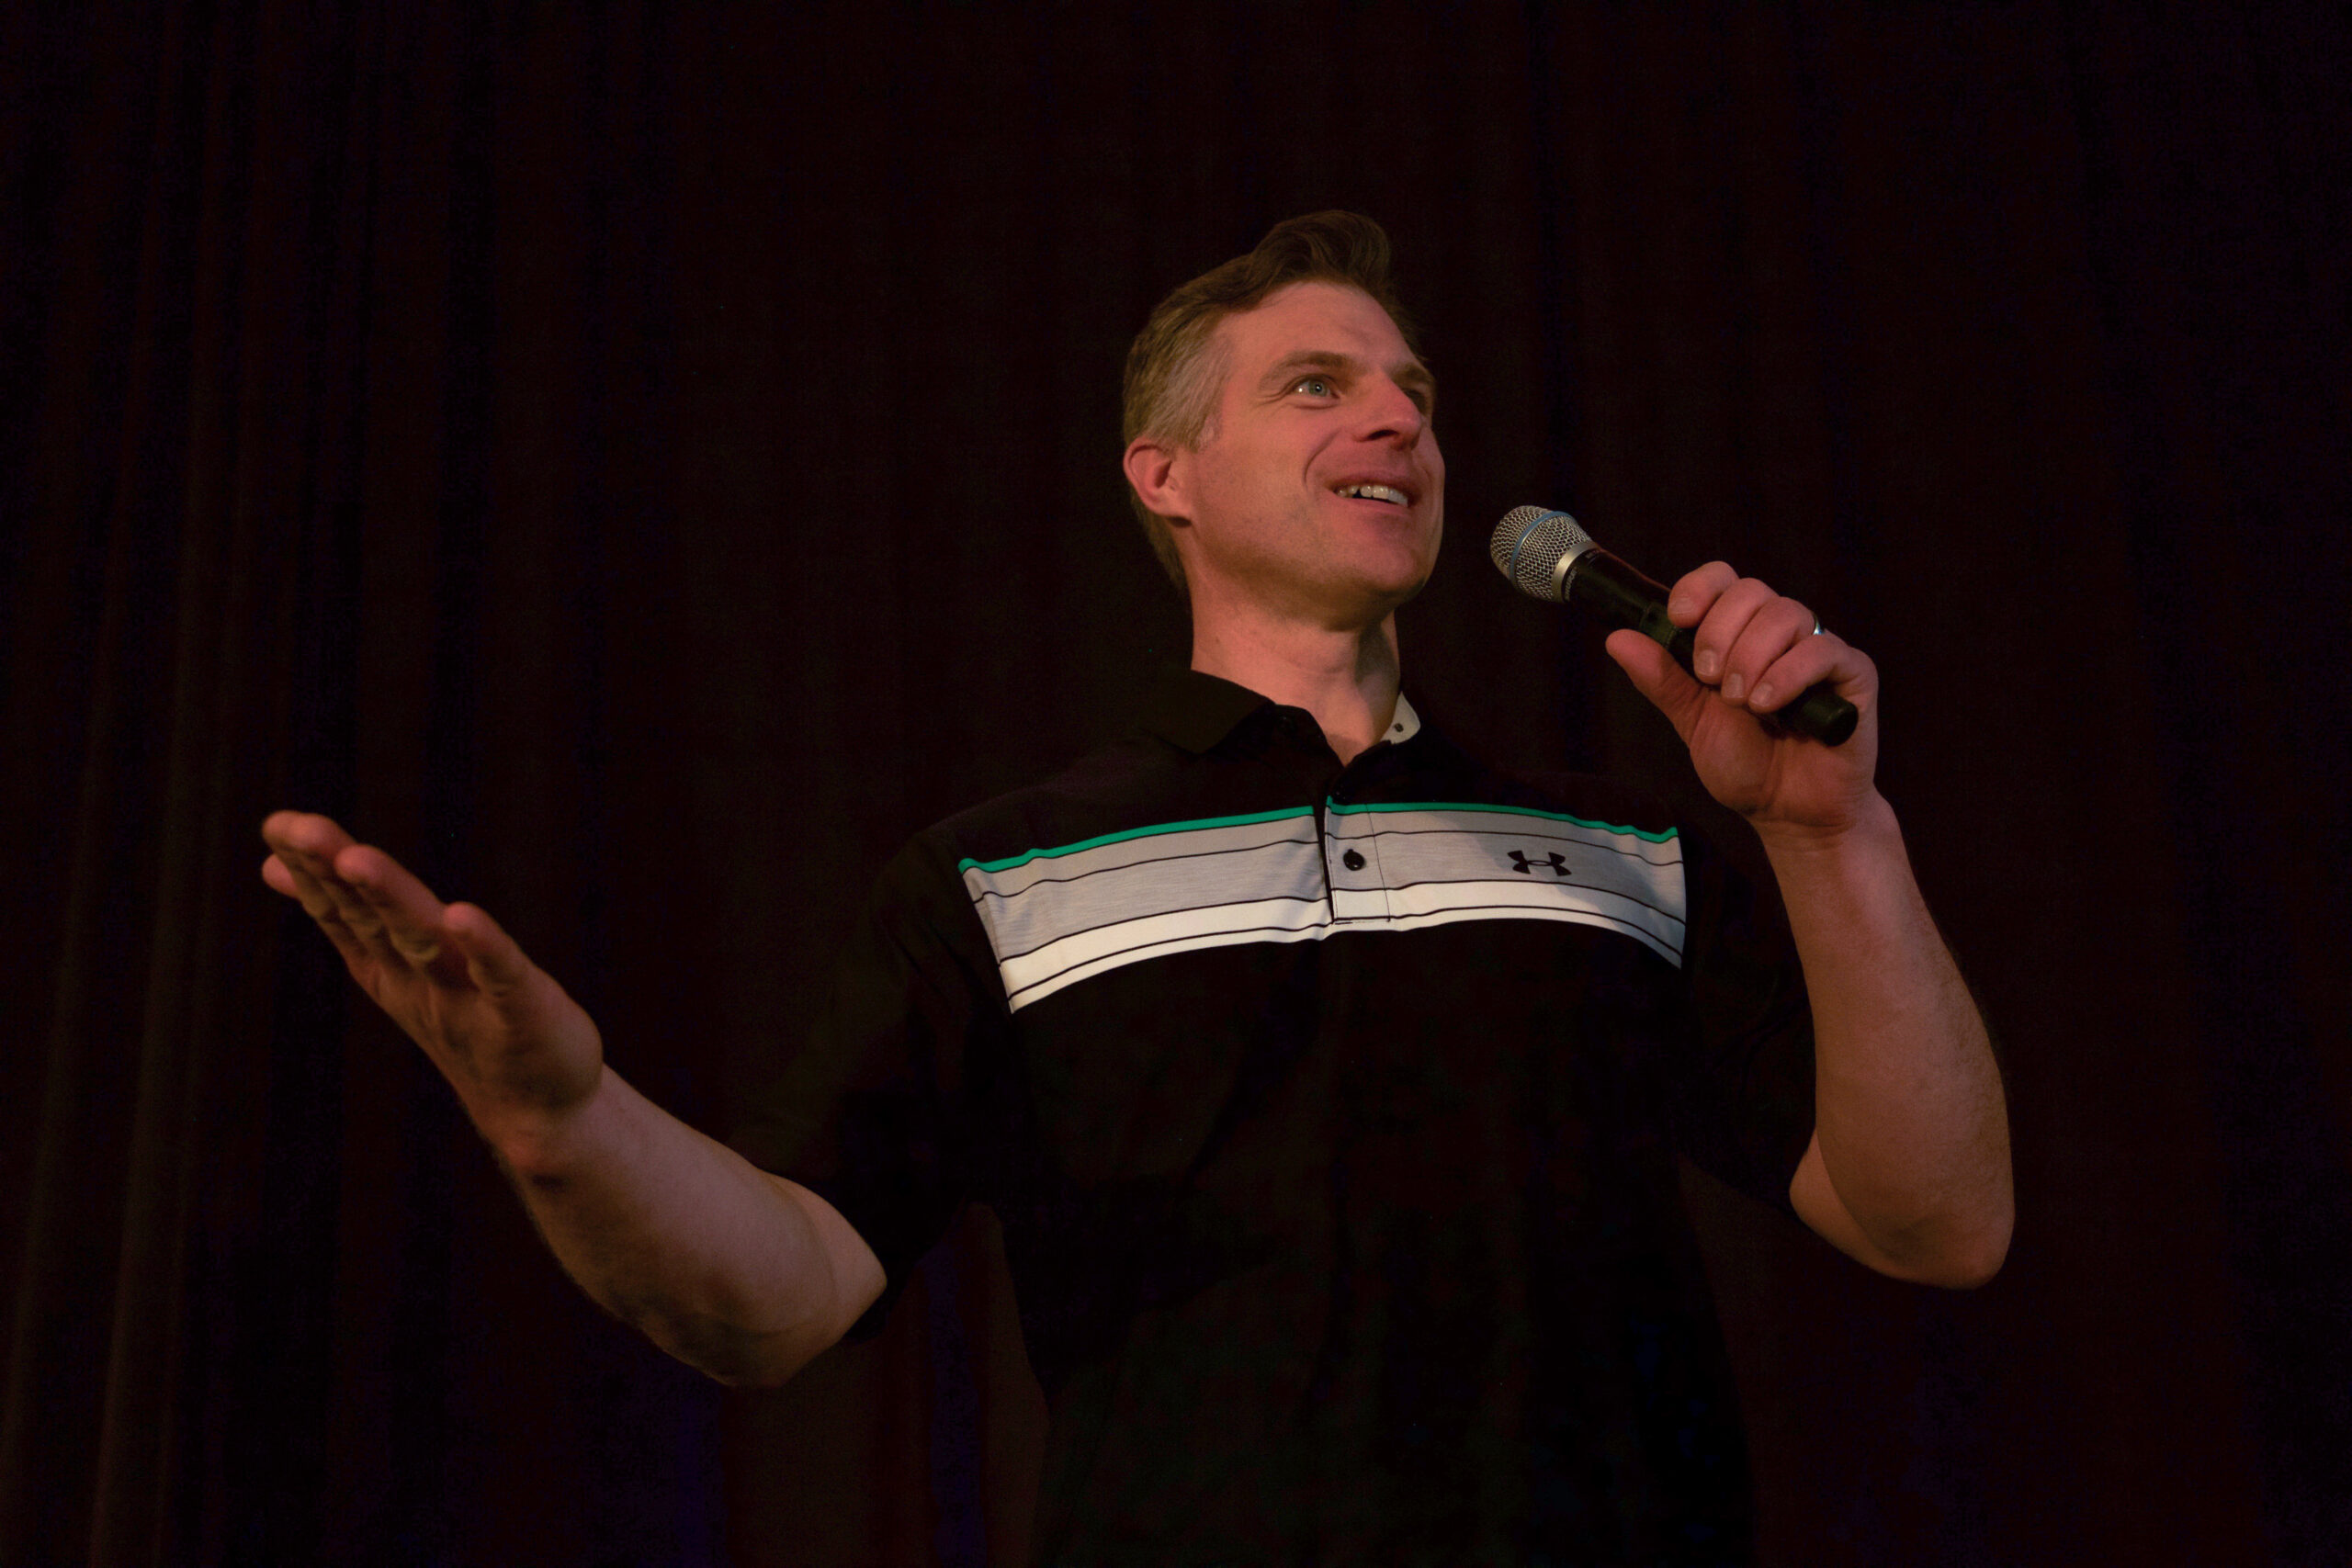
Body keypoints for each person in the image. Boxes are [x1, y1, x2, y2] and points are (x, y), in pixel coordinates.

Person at [262, 212, 2010, 1564]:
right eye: (1316, 385)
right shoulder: (1003, 876)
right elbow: (778, 1298)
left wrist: (1832, 836)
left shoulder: (1624, 850)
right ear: (1163, 476)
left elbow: (1937, 1224)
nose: (1398, 416)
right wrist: (563, 1127)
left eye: (1413, 391)